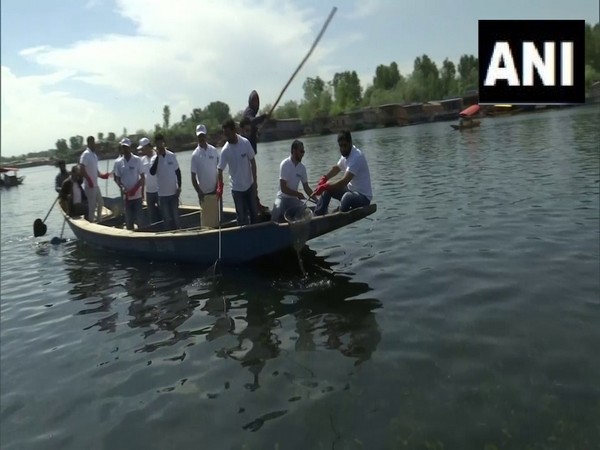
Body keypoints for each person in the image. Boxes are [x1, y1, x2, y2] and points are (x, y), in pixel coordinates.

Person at [314, 130, 373, 216]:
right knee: (328, 188)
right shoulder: (346, 155)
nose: (342, 149)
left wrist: (325, 186)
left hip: (363, 198)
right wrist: (325, 178)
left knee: (347, 197)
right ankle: (317, 215)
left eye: (345, 146)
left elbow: (344, 181)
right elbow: (337, 168)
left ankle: (337, 214)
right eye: (340, 146)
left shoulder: (357, 157)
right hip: (350, 191)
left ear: (350, 143)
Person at [217, 117, 258, 225]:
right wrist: (220, 187)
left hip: (249, 185)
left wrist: (255, 182)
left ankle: (256, 235)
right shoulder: (225, 150)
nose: (227, 137)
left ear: (234, 130)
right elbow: (220, 169)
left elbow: (253, 162)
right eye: (225, 135)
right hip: (236, 189)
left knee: (254, 213)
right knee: (241, 216)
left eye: (228, 134)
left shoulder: (245, 143)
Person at [271, 140, 313, 222]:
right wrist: (298, 194)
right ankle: (274, 225)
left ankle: (295, 222)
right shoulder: (285, 164)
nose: (303, 154)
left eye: (303, 152)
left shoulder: (302, 168)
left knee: (303, 206)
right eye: (301, 151)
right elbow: (283, 188)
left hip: (292, 199)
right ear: (294, 151)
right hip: (282, 198)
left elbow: (306, 187)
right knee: (277, 208)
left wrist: (316, 199)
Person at [149, 133, 181, 230]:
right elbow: (152, 172)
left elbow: (178, 172)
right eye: (158, 143)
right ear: (156, 144)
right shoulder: (154, 159)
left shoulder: (171, 155)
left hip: (173, 193)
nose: (160, 145)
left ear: (164, 142)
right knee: (167, 219)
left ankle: (179, 234)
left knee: (176, 218)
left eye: (161, 142)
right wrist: (158, 157)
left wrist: (179, 186)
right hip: (162, 195)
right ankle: (170, 237)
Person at [190, 124, 220, 228]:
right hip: (204, 195)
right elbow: (193, 177)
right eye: (199, 136)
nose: (201, 138)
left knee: (217, 221)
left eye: (202, 135)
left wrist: (218, 187)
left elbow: (219, 170)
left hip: (215, 192)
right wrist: (199, 193)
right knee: (206, 223)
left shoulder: (214, 150)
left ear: (206, 135)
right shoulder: (195, 155)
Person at [114, 138, 145, 230]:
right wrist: (122, 187)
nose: (124, 149)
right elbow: (117, 178)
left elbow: (142, 177)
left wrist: (135, 189)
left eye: (126, 147)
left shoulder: (137, 160)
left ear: (130, 147)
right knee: (129, 220)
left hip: (137, 196)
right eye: (123, 147)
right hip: (126, 197)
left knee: (140, 219)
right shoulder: (118, 162)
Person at [79, 135, 110, 222]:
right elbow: (81, 169)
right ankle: (91, 222)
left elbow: (96, 171)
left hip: (95, 185)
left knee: (101, 203)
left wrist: (103, 175)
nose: (94, 144)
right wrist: (88, 179)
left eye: (94, 142)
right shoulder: (85, 155)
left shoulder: (94, 155)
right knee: (92, 206)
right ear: (89, 143)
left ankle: (99, 220)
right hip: (89, 186)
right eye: (92, 143)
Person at [138, 137, 161, 224]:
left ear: (147, 147)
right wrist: (142, 192)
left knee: (161, 211)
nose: (141, 151)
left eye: (143, 148)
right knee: (151, 214)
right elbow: (142, 177)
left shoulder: (157, 156)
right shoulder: (142, 160)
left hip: (159, 190)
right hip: (149, 192)